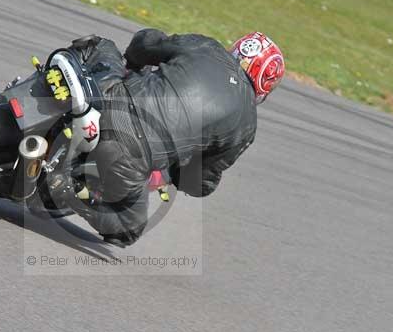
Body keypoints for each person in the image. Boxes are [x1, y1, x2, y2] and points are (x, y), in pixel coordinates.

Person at [53, 29, 285, 247]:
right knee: (128, 228)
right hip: (130, 157)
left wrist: (132, 66)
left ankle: (49, 83)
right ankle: (68, 189)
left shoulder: (206, 46)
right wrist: (176, 169)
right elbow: (197, 181)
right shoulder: (247, 124)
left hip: (111, 97)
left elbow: (146, 42)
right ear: (266, 84)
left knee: (97, 45)